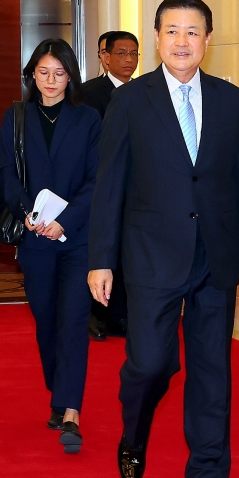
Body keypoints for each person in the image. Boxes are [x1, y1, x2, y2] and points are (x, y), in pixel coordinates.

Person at [88, 0, 239, 478]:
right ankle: (134, 431)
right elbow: (109, 185)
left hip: (216, 257)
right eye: (172, 31)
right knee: (149, 363)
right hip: (150, 257)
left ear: (207, 41)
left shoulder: (230, 100)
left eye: (193, 32)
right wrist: (101, 258)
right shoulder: (131, 101)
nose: (182, 41)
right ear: (157, 39)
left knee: (213, 373)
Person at [0, 38, 102, 453]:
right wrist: (30, 214)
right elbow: (6, 173)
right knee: (46, 320)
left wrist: (65, 221)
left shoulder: (89, 118)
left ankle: (70, 410)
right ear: (31, 75)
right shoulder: (17, 117)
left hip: (76, 238)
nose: (51, 81)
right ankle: (59, 390)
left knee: (74, 319)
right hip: (34, 236)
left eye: (59, 73)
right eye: (43, 72)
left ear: (71, 76)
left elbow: (98, 179)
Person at [81, 31, 140, 341]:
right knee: (105, 251)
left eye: (134, 54)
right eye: (121, 53)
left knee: (131, 254)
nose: (128, 60)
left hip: (139, 189)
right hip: (101, 184)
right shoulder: (88, 94)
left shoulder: (146, 92)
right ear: (105, 57)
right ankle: (98, 315)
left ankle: (127, 317)